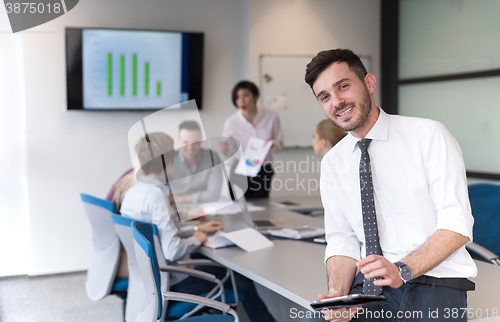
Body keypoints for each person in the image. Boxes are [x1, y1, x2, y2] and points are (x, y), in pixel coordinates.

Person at [303, 49, 476, 322]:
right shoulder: (333, 163)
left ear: (369, 83)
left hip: (435, 283)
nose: (336, 101)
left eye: (343, 86)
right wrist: (338, 295)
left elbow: (457, 224)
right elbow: (341, 238)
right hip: (370, 287)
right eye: (324, 97)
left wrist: (402, 270)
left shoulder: (427, 135)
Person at [120, 132, 275, 322]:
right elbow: (172, 250)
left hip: (149, 279)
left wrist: (196, 230)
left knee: (224, 271)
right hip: (174, 280)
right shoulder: (157, 197)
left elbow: (156, 234)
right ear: (168, 163)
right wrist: (197, 239)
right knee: (237, 278)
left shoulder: (133, 192)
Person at [220, 80, 283, 199]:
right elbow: (227, 158)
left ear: (255, 96)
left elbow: (279, 147)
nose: (241, 101)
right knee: (238, 211)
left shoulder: (271, 114)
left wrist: (272, 144)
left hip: (263, 170)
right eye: (237, 97)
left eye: (246, 96)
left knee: (261, 209)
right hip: (240, 171)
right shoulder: (231, 122)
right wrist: (225, 151)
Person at [169, 120, 223, 204]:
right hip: (175, 209)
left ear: (201, 141)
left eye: (195, 143)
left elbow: (214, 195)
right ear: (179, 141)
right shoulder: (169, 160)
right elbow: (160, 194)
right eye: (186, 142)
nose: (190, 147)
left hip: (205, 209)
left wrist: (180, 198)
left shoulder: (212, 157)